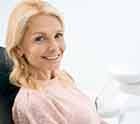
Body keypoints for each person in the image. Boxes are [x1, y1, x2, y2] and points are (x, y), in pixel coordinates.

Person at [5, 0, 102, 123]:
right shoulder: (33, 103)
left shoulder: (62, 77)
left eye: (58, 35)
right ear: (19, 49)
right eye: (39, 38)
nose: (54, 47)